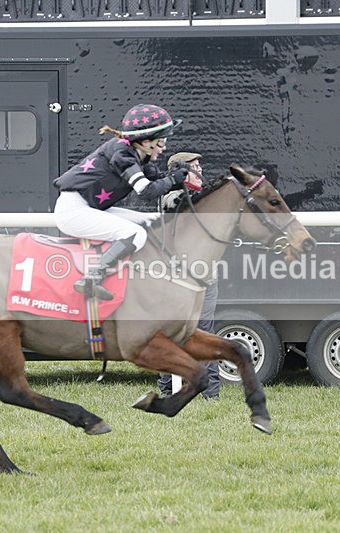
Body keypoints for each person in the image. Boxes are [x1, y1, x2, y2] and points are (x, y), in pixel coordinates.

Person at [53, 104, 188, 300]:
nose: (164, 147)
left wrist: (182, 179)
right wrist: (172, 180)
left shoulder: (138, 157)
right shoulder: (122, 154)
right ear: (146, 142)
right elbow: (146, 191)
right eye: (161, 141)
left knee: (155, 219)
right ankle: (91, 278)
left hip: (90, 207)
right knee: (135, 234)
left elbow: (160, 182)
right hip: (74, 211)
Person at [157, 152, 221, 400]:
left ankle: (210, 394)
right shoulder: (172, 198)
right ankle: (167, 390)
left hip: (205, 279)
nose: (201, 170)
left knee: (205, 334)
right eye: (195, 167)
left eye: (200, 165)